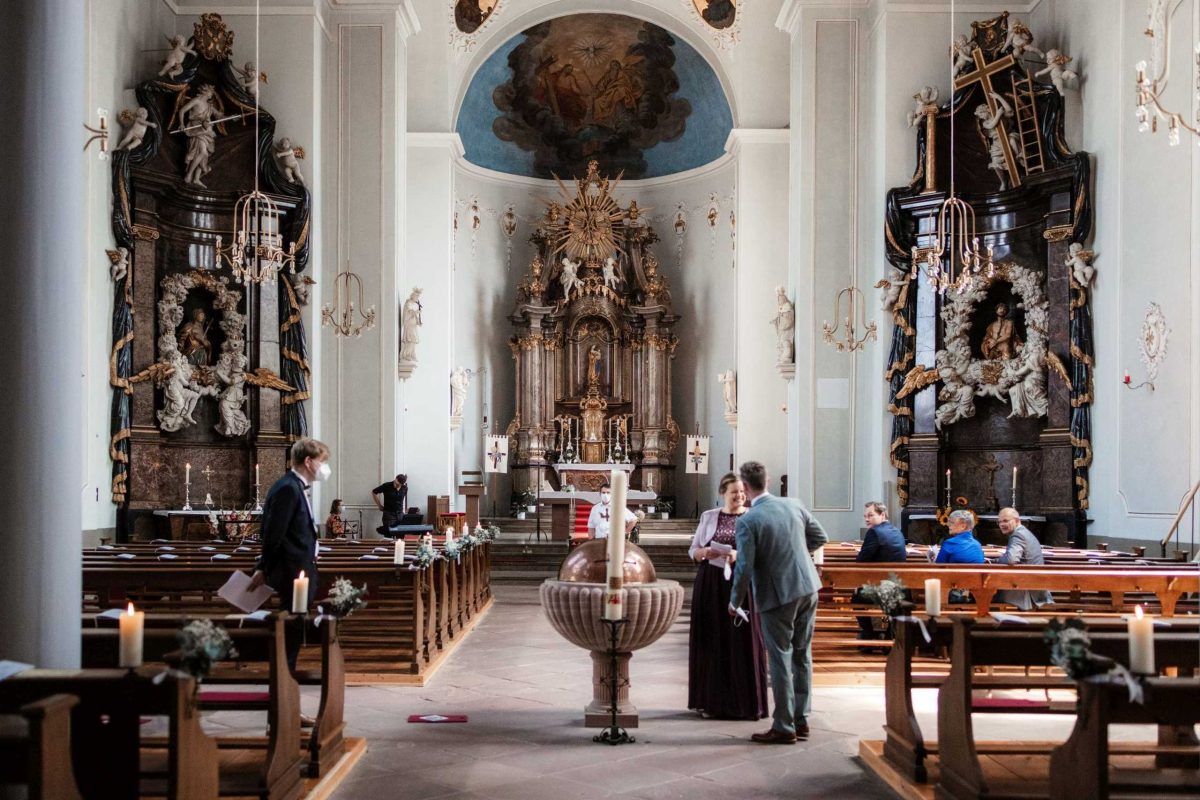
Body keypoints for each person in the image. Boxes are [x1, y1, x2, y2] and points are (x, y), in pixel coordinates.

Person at [728, 460, 828, 744]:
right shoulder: (794, 504)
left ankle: (784, 726)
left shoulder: (748, 521)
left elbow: (744, 567)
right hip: (808, 587)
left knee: (780, 658)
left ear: (745, 488)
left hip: (778, 595)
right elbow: (821, 537)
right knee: (802, 654)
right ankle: (802, 718)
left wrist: (735, 601)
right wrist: (794, 554)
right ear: (767, 481)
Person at [687, 473, 768, 720]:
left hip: (743, 584)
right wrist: (703, 552)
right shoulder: (709, 516)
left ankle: (746, 703)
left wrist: (738, 556)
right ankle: (712, 702)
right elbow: (692, 550)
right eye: (734, 492)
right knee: (712, 638)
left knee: (744, 640)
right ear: (723, 492)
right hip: (711, 584)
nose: (740, 496)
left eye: (743, 492)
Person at [248, 438, 331, 675]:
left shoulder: (294, 486)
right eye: (321, 461)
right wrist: (263, 566)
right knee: (292, 628)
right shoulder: (288, 488)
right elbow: (274, 533)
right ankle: (284, 681)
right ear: (308, 461)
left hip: (299, 569)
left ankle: (286, 679)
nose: (324, 467)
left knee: (295, 627)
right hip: (292, 572)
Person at [854, 502, 907, 642]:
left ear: (882, 514)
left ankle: (868, 634)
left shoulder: (874, 532)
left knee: (856, 599)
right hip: (898, 588)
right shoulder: (897, 531)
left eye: (870, 515)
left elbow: (861, 561)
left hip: (879, 588)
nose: (866, 519)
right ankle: (891, 633)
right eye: (865, 516)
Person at [994, 507, 1053, 610]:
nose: (1001, 524)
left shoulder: (1018, 535)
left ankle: (987, 623)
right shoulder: (1023, 532)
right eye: (999, 522)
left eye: (1005, 521)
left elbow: (1011, 559)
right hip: (1033, 583)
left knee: (989, 593)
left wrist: (994, 561)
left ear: (1017, 520)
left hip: (1026, 588)